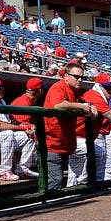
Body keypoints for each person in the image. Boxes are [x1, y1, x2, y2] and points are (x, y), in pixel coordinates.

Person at [42, 61, 97, 191]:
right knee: (55, 181)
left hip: (64, 143)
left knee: (60, 181)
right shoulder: (58, 87)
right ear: (66, 76)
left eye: (82, 77)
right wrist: (82, 106)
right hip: (51, 142)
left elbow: (84, 102)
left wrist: (91, 105)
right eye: (76, 77)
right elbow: (58, 105)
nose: (80, 80)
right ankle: (46, 203)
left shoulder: (73, 91)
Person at [0, 77, 37, 180]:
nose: (0, 90)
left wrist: (28, 127)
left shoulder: (2, 103)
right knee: (8, 133)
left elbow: (13, 121)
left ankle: (22, 169)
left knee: (29, 135)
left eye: (1, 88)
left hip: (2, 141)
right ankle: (4, 172)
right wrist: (21, 127)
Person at [83, 72, 111, 182]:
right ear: (99, 86)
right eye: (107, 88)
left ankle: (99, 188)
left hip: (99, 136)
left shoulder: (110, 100)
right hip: (88, 136)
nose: (110, 91)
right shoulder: (93, 95)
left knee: (98, 170)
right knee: (83, 174)